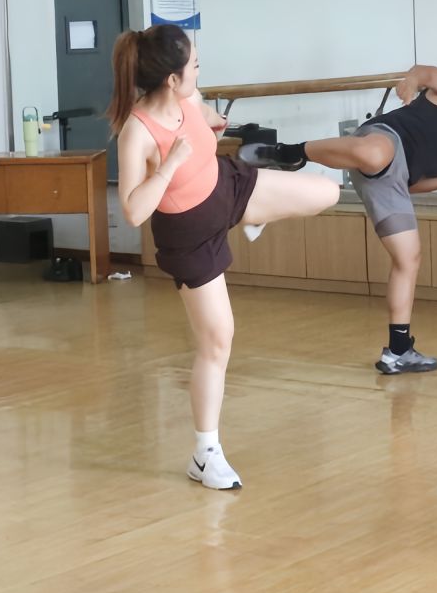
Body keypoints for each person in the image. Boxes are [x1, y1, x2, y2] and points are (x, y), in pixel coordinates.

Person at [110, 25, 338, 489]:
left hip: (227, 188)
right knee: (218, 342)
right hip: (190, 236)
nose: (198, 72)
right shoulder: (137, 133)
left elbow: (202, 113)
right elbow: (133, 211)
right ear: (172, 79)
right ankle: (205, 454)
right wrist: (169, 165)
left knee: (327, 192)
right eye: (194, 66)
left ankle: (256, 218)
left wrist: (214, 122)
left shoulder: (187, 99)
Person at [240, 69, 437, 374]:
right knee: (374, 154)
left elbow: (412, 185)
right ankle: (288, 153)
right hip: (383, 140)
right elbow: (422, 73)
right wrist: (410, 85)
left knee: (409, 257)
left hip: (391, 182)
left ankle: (398, 350)